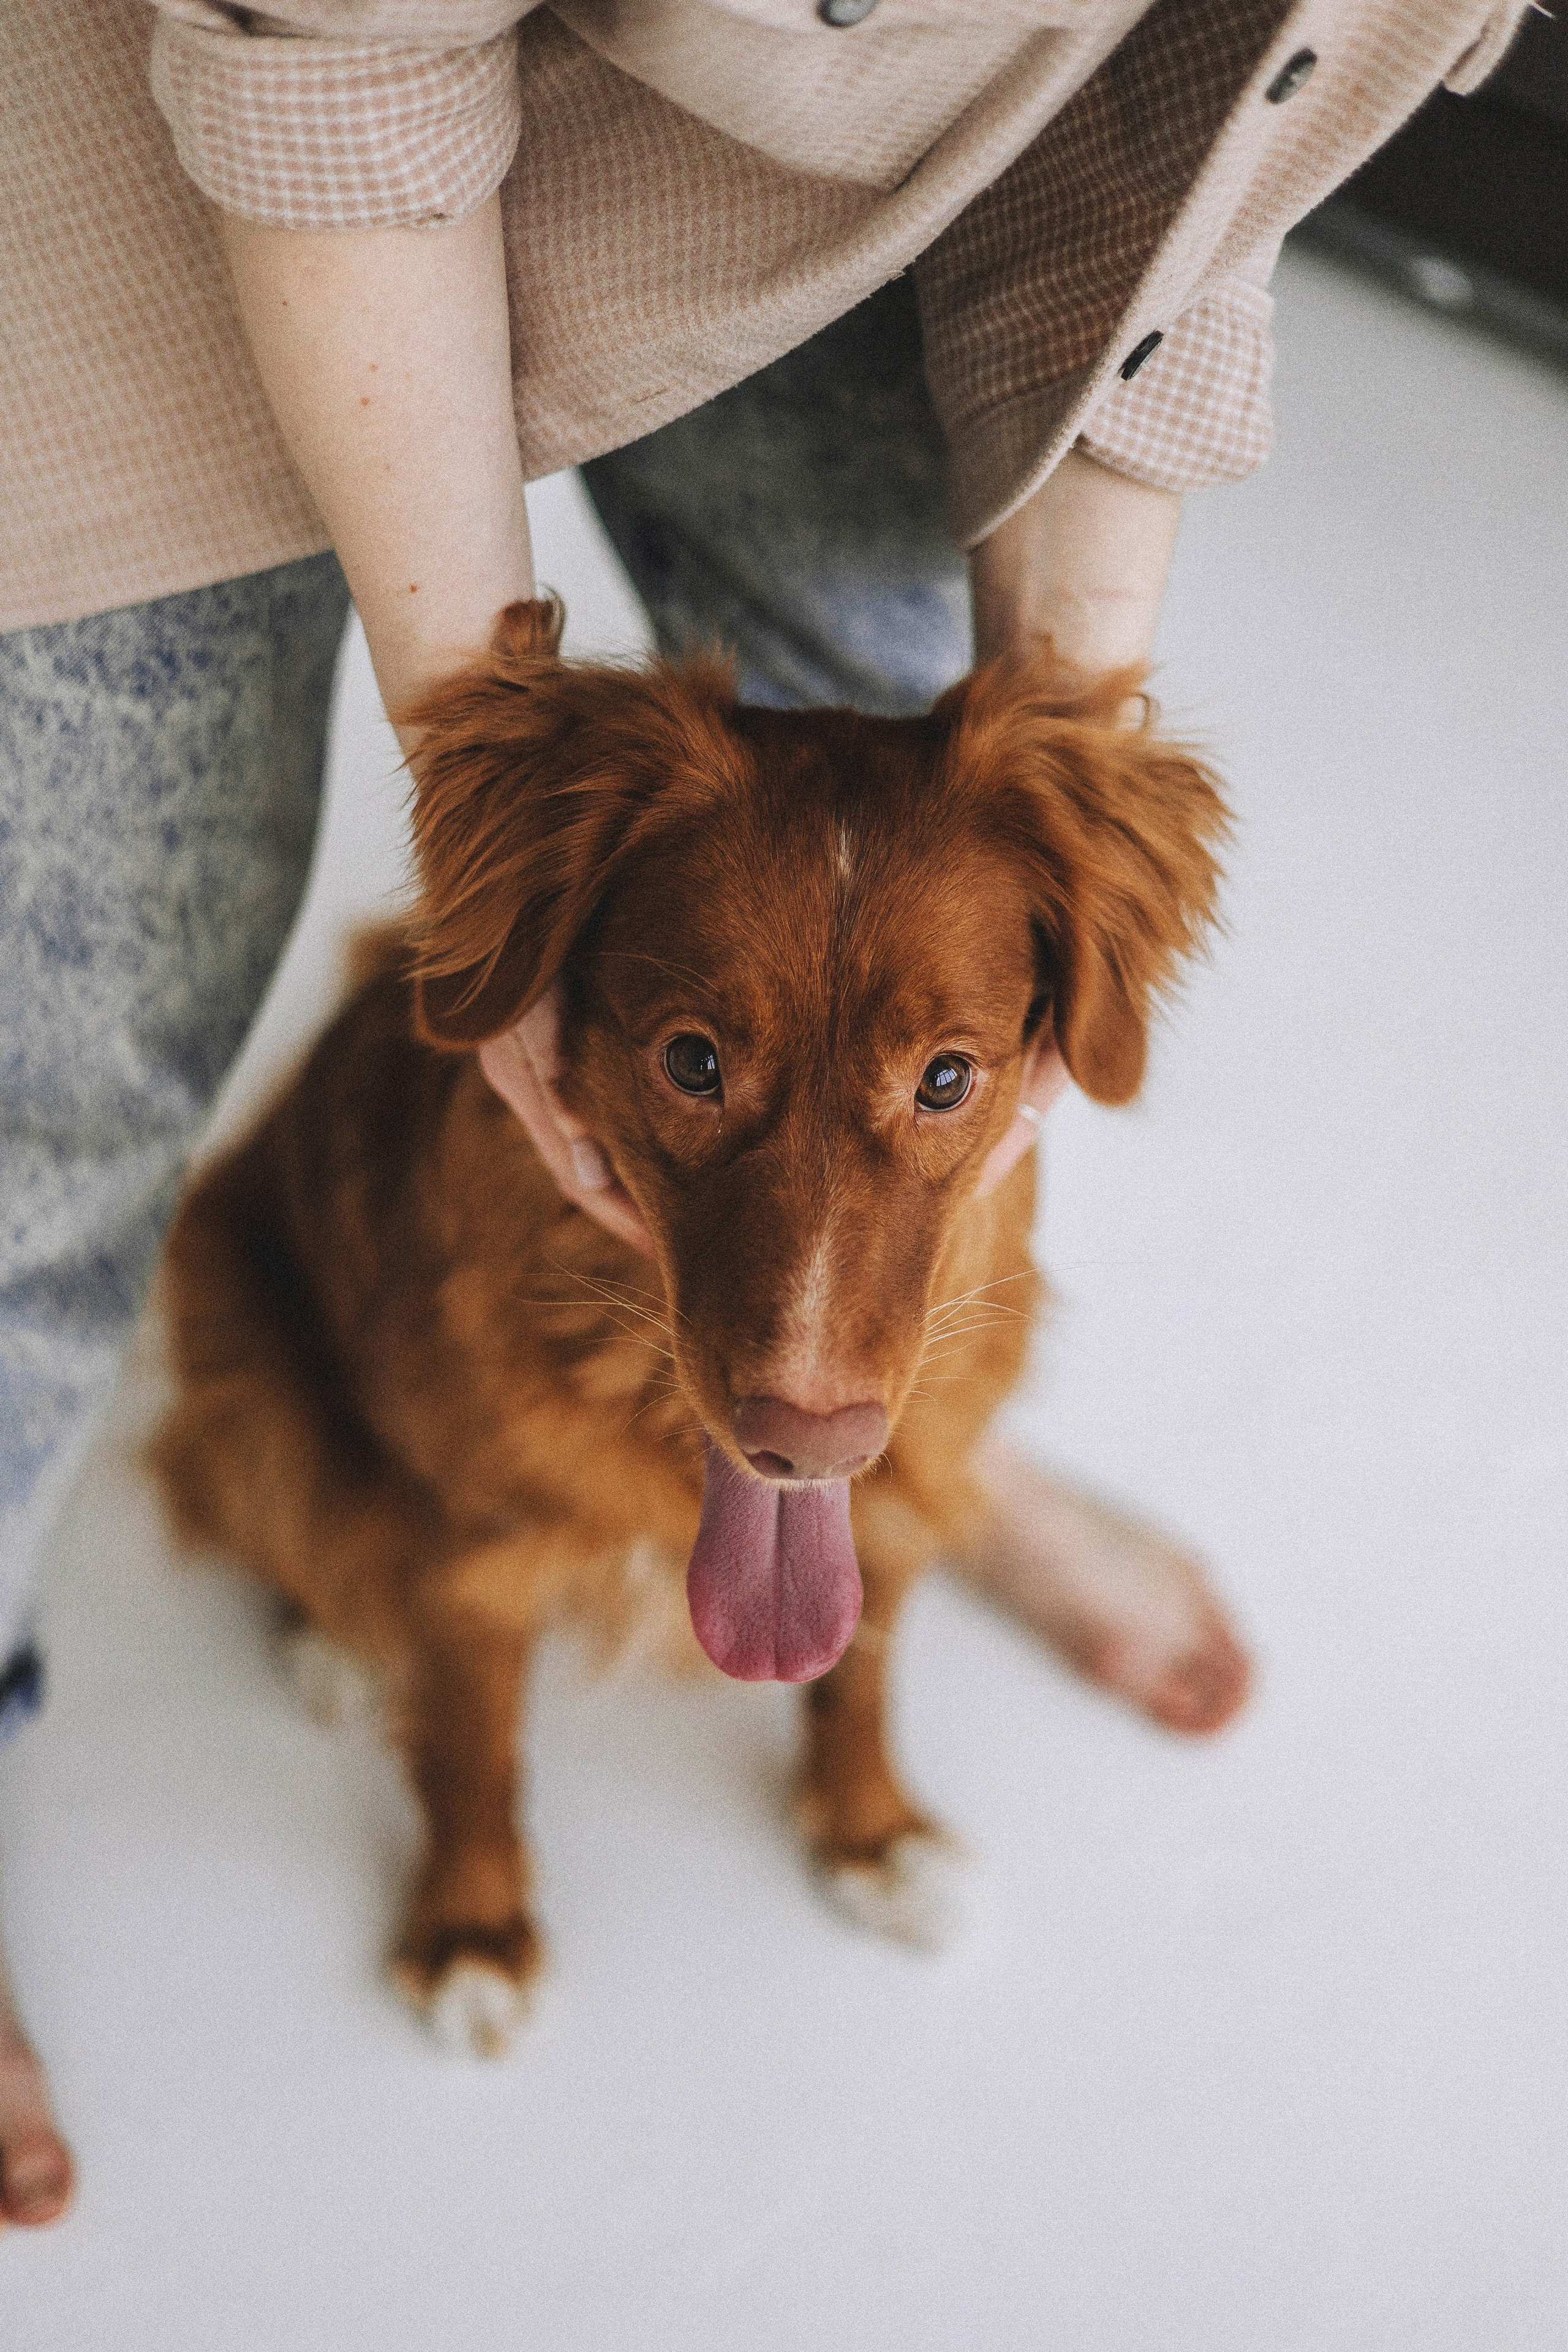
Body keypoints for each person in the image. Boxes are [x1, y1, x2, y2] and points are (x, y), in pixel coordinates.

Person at [0, 0, 1526, 2230]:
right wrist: (488, 797)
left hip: (865, 170)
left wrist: (1064, 739)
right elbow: (327, 66)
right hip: (181, 131)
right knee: (61, 1059)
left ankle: (946, 1479)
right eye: (691, 1067)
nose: (811, 1367)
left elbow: (1228, 104)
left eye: (950, 1078)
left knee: (891, 704)